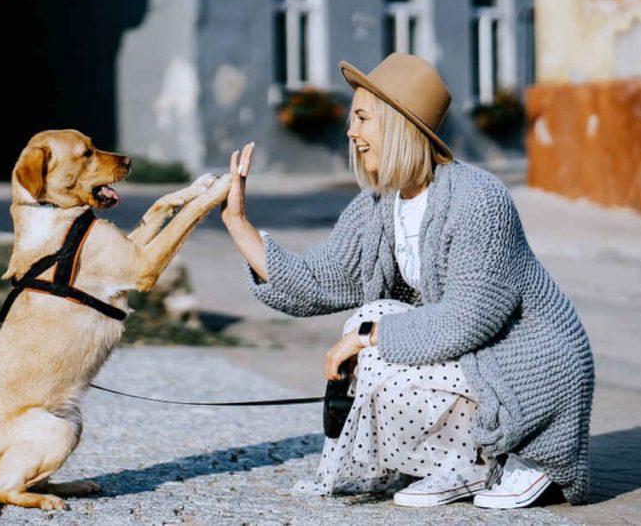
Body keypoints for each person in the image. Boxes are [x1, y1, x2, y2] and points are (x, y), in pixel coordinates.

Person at [219, 54, 593, 509]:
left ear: (398, 124)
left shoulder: (479, 200)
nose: (351, 132)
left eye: (362, 118)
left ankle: (508, 456)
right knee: (370, 317)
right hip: (475, 359)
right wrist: (239, 225)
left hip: (529, 368)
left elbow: (467, 320)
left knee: (372, 335)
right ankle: (457, 462)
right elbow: (319, 281)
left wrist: (366, 339)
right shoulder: (380, 205)